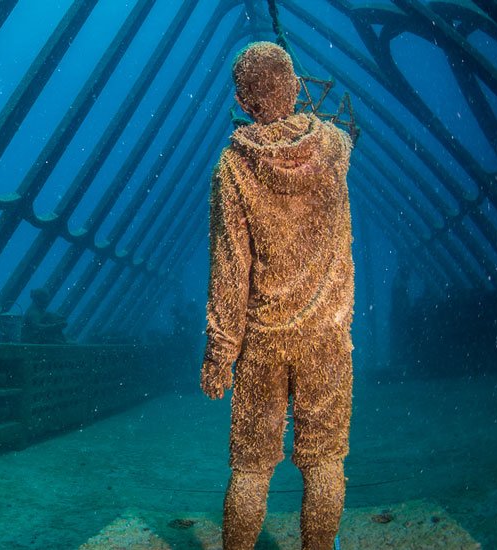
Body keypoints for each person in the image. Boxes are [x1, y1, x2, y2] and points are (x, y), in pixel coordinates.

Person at [200, 42, 354, 550]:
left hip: (263, 343)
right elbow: (333, 136)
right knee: (326, 460)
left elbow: (230, 269)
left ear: (243, 102)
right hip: (327, 339)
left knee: (250, 467)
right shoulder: (333, 149)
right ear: (295, 87)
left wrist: (220, 355)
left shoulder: (234, 168)